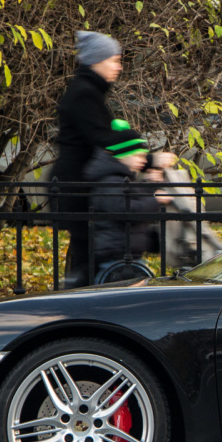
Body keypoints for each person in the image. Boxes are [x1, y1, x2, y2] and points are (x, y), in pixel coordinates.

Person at [54, 30, 124, 287]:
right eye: (114, 60)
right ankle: (75, 307)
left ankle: (76, 298)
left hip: (79, 186)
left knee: (87, 255)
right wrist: (147, 160)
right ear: (97, 61)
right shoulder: (85, 93)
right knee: (87, 258)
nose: (119, 66)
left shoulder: (87, 90)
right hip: (78, 188)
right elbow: (102, 138)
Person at [83, 134, 171, 284]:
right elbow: (127, 211)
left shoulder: (122, 179)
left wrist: (151, 185)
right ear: (124, 155)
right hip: (117, 260)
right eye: (138, 156)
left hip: (128, 258)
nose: (143, 161)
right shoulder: (110, 181)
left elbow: (136, 200)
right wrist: (155, 199)